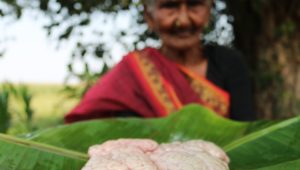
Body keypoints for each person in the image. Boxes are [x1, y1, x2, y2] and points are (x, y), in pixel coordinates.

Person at [65, 0, 256, 123]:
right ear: (149, 17)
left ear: (209, 12)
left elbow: (245, 133)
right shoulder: (133, 73)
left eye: (194, 5)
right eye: (170, 6)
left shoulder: (230, 63)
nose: (183, 20)